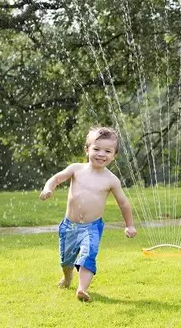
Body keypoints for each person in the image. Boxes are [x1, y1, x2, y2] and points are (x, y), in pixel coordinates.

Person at [39, 126, 137, 301]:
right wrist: (48, 188)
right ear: (87, 149)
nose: (101, 154)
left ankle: (82, 289)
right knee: (66, 260)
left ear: (115, 155)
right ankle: (68, 277)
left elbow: (123, 203)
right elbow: (56, 178)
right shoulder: (76, 169)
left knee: (88, 255)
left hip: (92, 227)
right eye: (96, 149)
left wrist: (129, 225)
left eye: (108, 151)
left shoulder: (111, 180)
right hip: (69, 226)